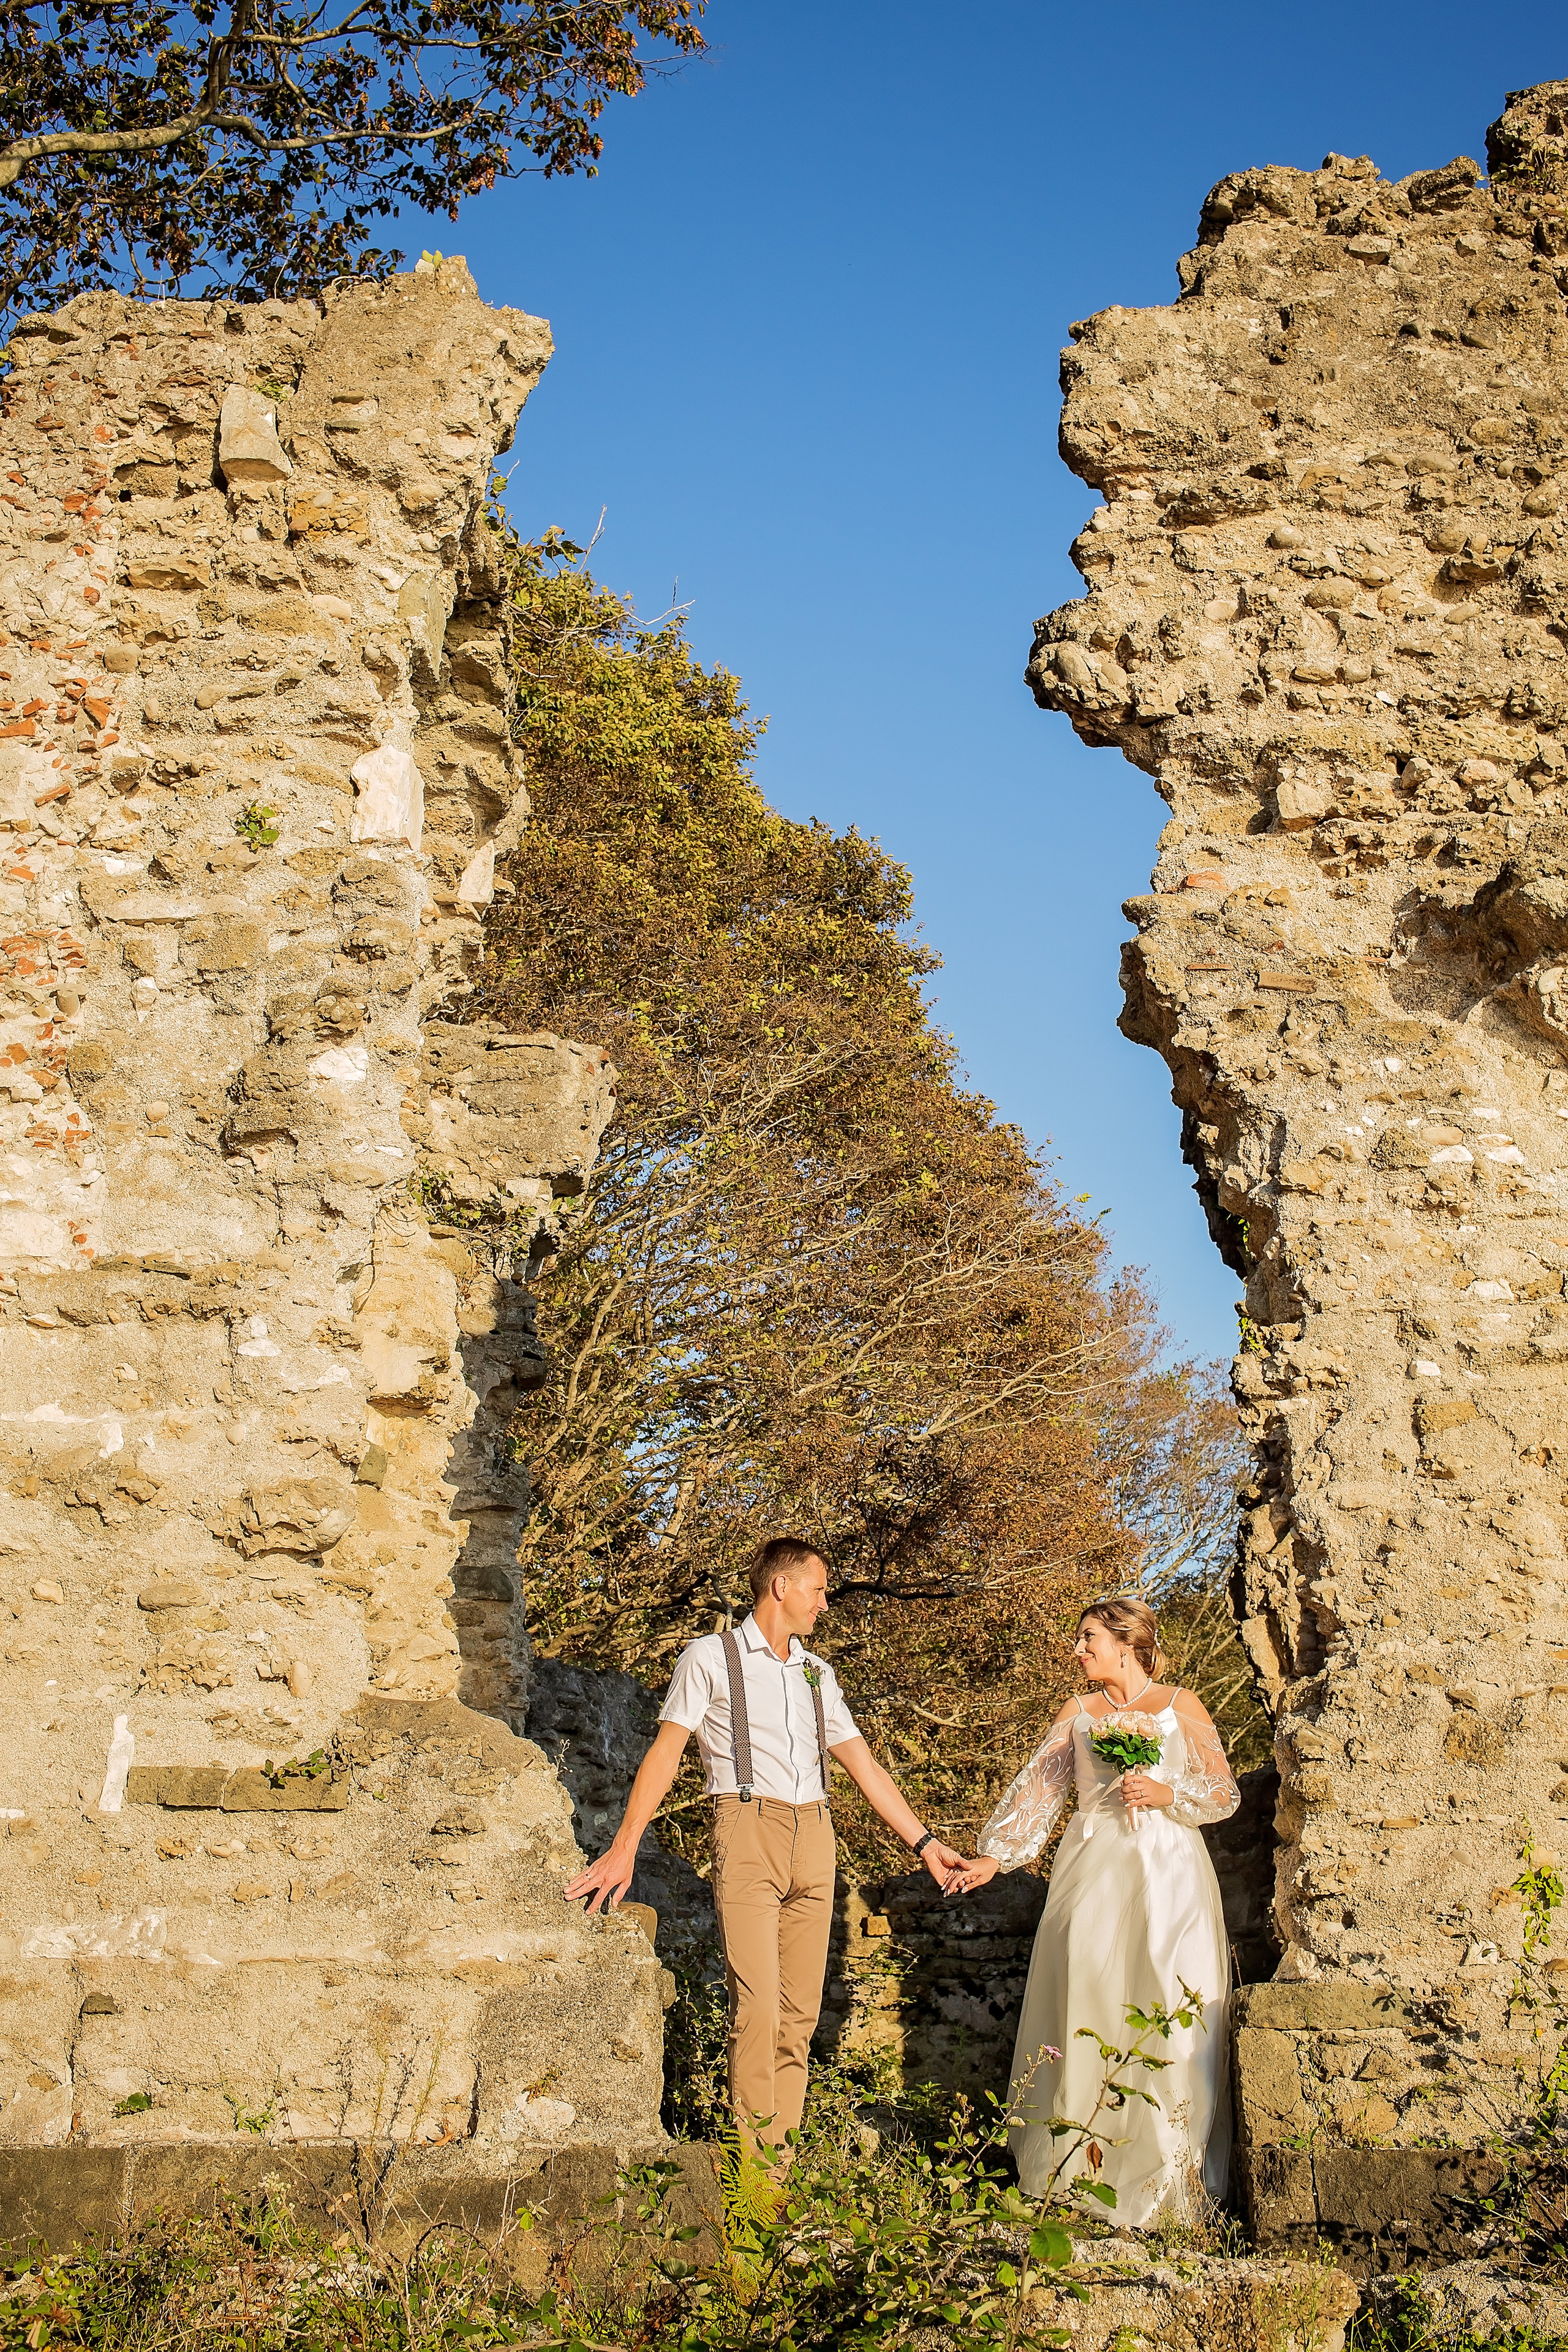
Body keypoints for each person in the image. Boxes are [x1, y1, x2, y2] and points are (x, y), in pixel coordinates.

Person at [563, 1535, 966, 2160]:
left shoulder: (817, 1673)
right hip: (747, 1828)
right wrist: (625, 1847)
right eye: (819, 1589)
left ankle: (777, 2175)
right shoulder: (710, 1657)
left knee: (799, 2018)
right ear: (782, 1586)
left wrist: (925, 1844)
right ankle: (754, 2186)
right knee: (756, 2012)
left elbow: (864, 1767)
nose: (824, 1604)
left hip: (816, 1836)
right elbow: (666, 1752)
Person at [945, 1594, 1238, 2226]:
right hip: (1093, 1867)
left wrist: (1168, 1791)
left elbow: (1223, 1792)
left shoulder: (1180, 1705)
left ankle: (1169, 2176)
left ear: (1127, 1642)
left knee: (1169, 1998)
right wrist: (994, 1858)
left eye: (1088, 1638)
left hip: (1170, 1871)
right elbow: (1038, 1794)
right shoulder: (1076, 1714)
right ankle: (1076, 2170)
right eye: (1079, 1639)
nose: (1077, 1650)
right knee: (1088, 1995)